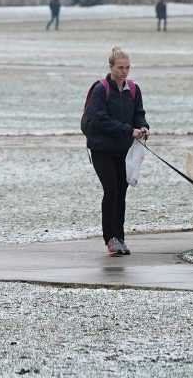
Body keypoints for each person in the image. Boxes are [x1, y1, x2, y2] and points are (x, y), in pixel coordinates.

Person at [84, 46, 148, 256]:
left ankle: (120, 238)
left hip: (123, 150)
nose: (124, 71)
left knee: (121, 193)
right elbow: (101, 120)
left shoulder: (133, 89)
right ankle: (110, 239)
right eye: (120, 67)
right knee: (111, 190)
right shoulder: (101, 89)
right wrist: (129, 130)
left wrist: (143, 126)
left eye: (128, 67)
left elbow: (138, 113)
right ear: (111, 67)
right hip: (101, 148)